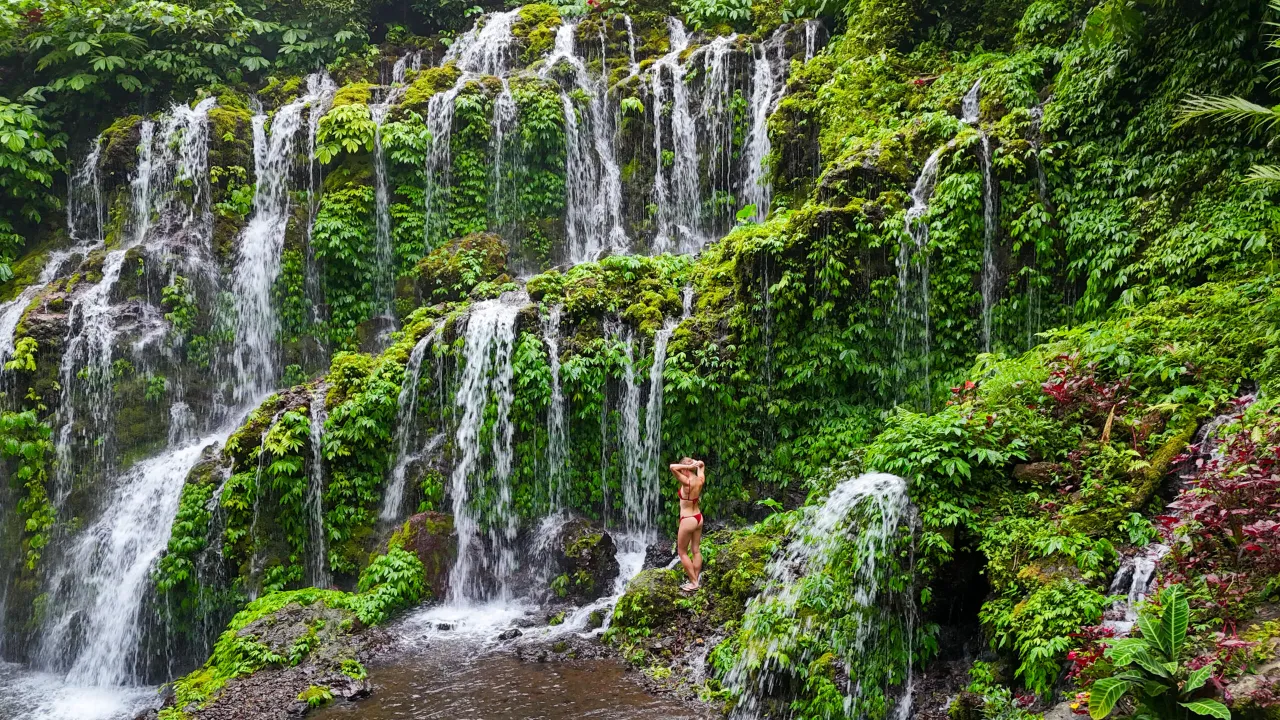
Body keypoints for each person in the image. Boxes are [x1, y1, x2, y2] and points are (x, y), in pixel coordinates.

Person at [669, 456, 705, 592]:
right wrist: (696, 465)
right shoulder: (700, 479)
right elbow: (701, 465)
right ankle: (696, 579)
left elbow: (672, 467)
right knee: (695, 550)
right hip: (698, 518)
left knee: (682, 552)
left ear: (684, 469)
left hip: (688, 519)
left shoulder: (686, 482)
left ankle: (694, 583)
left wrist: (688, 467)